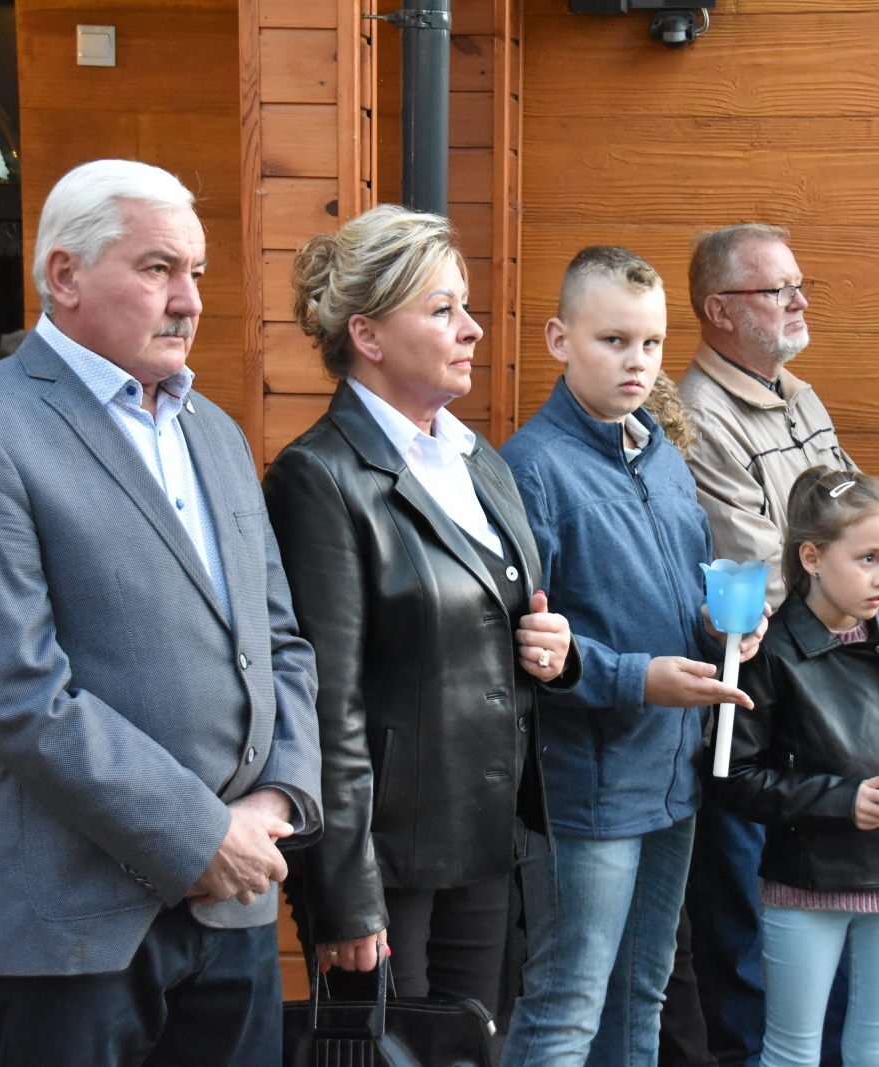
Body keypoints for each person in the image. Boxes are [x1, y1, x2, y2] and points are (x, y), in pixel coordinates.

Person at [0, 159, 323, 1064]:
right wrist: (199, 836)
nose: (189, 300)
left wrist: (280, 798)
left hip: (232, 909)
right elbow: (18, 692)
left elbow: (281, 642)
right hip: (75, 926)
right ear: (65, 275)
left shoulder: (215, 431)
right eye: (158, 268)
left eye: (196, 272)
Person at [263, 204, 577, 1014]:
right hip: (387, 862)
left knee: (474, 1047)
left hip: (485, 842)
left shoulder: (477, 459)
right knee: (389, 1053)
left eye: (465, 306)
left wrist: (553, 648)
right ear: (367, 335)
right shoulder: (319, 477)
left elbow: (491, 622)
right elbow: (326, 702)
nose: (472, 328)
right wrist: (342, 891)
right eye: (442, 310)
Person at [499, 246, 762, 1065]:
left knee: (642, 994)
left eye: (650, 343)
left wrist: (725, 634)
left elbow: (682, 596)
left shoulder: (662, 454)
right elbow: (524, 642)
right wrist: (635, 678)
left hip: (672, 775)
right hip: (588, 786)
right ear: (559, 339)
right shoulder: (532, 467)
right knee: (567, 1002)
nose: (637, 362)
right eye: (612, 340)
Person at [674, 223, 879, 1065]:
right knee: (754, 920)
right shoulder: (699, 417)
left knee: (835, 906)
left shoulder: (800, 397)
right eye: (777, 290)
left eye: (797, 284)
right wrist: (861, 653)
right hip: (777, 706)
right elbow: (764, 570)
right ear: (720, 310)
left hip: (849, 692)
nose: (799, 301)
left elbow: (865, 534)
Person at [720, 467, 879, 1067]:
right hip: (808, 885)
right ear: (813, 557)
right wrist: (840, 801)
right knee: (792, 1054)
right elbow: (733, 778)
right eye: (868, 558)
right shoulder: (767, 653)